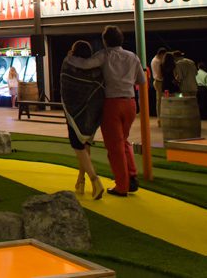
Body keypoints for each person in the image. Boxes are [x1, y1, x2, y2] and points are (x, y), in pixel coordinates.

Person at [66, 25, 145, 197]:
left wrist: (70, 58)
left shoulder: (105, 55)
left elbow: (85, 64)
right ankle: (132, 176)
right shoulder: (133, 57)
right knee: (124, 141)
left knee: (115, 146)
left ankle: (122, 186)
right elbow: (142, 80)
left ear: (105, 41)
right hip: (130, 103)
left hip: (112, 104)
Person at [60, 40, 106, 200]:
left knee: (78, 146)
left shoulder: (68, 66)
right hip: (91, 113)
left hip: (74, 114)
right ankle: (81, 180)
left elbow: (66, 87)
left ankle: (95, 180)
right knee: (85, 145)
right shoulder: (96, 69)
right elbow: (100, 89)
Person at [150, 47, 167, 119]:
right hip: (159, 82)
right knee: (159, 100)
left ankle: (160, 117)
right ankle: (160, 118)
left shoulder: (155, 59)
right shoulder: (157, 61)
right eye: (164, 55)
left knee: (160, 100)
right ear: (161, 54)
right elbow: (160, 73)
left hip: (158, 81)